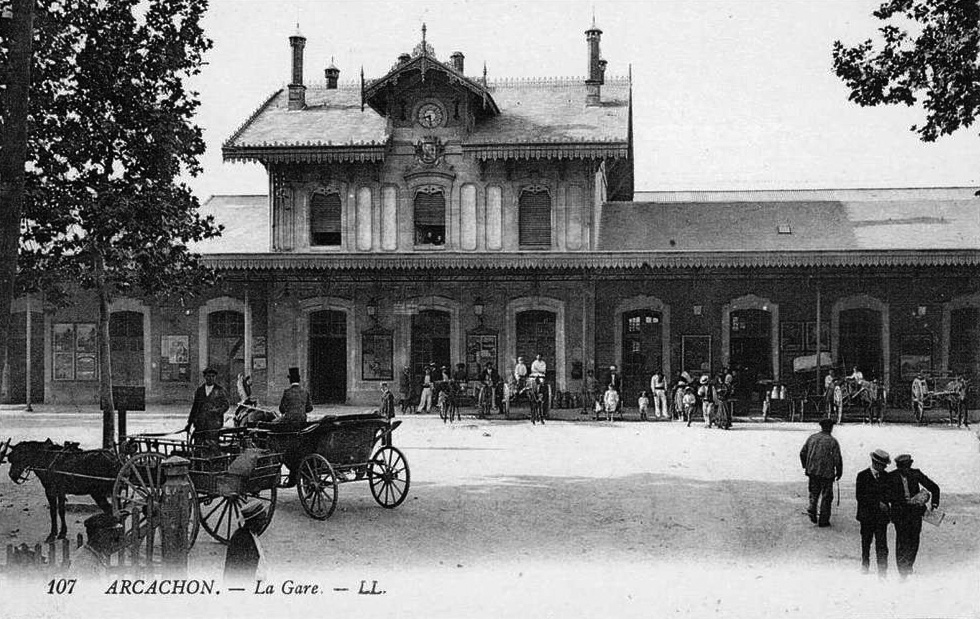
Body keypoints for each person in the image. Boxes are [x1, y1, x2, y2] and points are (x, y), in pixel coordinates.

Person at [888, 453, 940, 578]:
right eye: (902, 467)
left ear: (910, 465)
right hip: (900, 513)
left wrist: (933, 504)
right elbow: (884, 494)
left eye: (907, 467)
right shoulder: (891, 477)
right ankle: (902, 570)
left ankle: (909, 565)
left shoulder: (916, 474)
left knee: (914, 540)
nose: (905, 470)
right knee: (902, 540)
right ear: (898, 466)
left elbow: (934, 487)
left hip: (915, 512)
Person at [799, 418, 843, 527]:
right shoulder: (832, 441)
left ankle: (812, 508)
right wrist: (839, 471)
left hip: (812, 471)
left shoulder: (812, 438)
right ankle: (823, 520)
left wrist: (806, 465)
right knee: (826, 496)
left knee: (814, 492)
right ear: (830, 428)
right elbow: (837, 458)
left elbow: (802, 453)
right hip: (827, 473)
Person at [856, 449, 892, 576]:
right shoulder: (862, 476)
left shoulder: (887, 477)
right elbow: (860, 497)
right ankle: (865, 565)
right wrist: (878, 503)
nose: (883, 467)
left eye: (884, 465)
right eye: (882, 465)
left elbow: (890, 494)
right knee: (866, 542)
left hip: (881, 518)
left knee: (882, 544)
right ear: (874, 463)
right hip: (866, 516)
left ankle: (882, 570)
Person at [224, 500, 268, 587]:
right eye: (262, 519)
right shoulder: (242, 540)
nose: (265, 522)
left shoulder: (251, 535)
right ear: (253, 521)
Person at [67, 512, 123, 576]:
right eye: (111, 533)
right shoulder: (86, 562)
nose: (114, 538)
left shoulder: (94, 553)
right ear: (100, 534)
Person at [185, 366, 231, 444]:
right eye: (208, 376)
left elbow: (226, 405)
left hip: (214, 424)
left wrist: (217, 411)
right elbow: (195, 407)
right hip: (200, 424)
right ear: (205, 377)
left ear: (215, 377)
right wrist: (189, 423)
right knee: (198, 445)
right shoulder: (200, 390)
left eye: (213, 376)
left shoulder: (220, 390)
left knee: (212, 445)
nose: (210, 378)